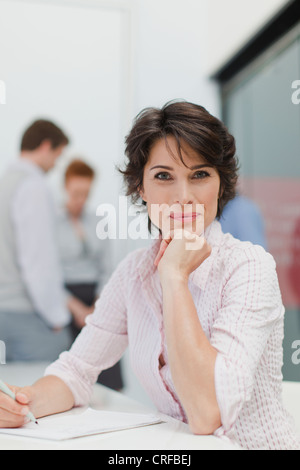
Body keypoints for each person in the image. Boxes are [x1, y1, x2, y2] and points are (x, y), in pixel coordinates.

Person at [0, 102, 299, 450]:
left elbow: (206, 413)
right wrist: (24, 402)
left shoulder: (248, 268)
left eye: (200, 175)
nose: (183, 197)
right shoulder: (134, 273)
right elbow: (76, 370)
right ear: (141, 188)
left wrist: (174, 276)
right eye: (163, 176)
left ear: (220, 185)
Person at [0, 120, 83, 362]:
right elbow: (38, 261)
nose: (56, 164)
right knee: (50, 388)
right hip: (26, 314)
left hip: (3, 313)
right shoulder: (33, 186)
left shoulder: (5, 182)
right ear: (46, 146)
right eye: (58, 155)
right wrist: (56, 316)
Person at [57, 159, 124, 391]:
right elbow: (47, 276)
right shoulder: (50, 223)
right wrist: (77, 309)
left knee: (106, 348)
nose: (81, 200)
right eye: (76, 193)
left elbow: (107, 268)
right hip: (66, 299)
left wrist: (96, 307)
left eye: (86, 193)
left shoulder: (97, 222)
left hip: (96, 297)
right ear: (65, 187)